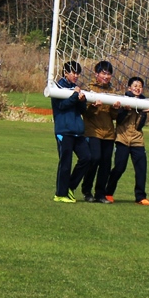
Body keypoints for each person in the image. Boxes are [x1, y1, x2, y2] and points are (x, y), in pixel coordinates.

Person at [81, 60, 121, 203]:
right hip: (93, 131)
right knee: (95, 158)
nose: (106, 76)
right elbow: (86, 113)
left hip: (109, 133)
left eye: (109, 74)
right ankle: (87, 190)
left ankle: (100, 193)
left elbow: (114, 117)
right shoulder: (89, 89)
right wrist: (94, 107)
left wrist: (116, 109)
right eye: (103, 73)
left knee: (105, 163)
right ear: (96, 73)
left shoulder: (113, 92)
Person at [106, 76, 149, 204]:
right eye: (135, 86)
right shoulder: (123, 100)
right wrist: (127, 110)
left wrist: (143, 113)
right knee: (119, 167)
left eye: (140, 86)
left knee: (141, 169)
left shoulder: (144, 102)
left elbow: (139, 126)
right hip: (122, 139)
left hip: (137, 140)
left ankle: (140, 197)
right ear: (129, 87)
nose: (138, 88)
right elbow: (119, 120)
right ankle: (108, 192)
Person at [50, 60, 90, 203]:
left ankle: (70, 187)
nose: (76, 75)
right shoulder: (57, 87)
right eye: (73, 72)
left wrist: (82, 100)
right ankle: (60, 194)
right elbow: (62, 105)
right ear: (66, 72)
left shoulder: (76, 88)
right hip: (64, 131)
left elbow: (81, 110)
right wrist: (74, 96)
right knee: (65, 163)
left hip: (77, 131)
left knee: (87, 158)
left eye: (78, 73)